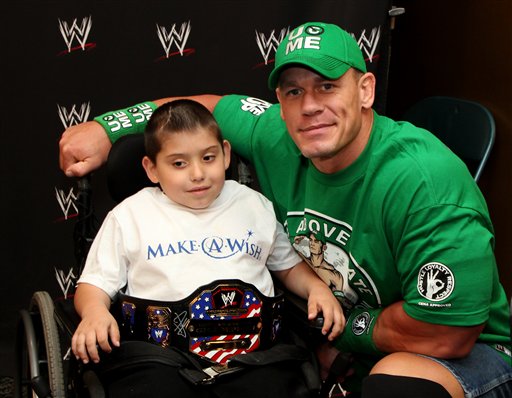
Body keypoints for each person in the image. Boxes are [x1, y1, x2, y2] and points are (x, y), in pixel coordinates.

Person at [60, 22, 512, 398]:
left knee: (390, 389)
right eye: (293, 92)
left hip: (457, 350)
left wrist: (337, 335)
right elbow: (207, 108)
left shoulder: (424, 181)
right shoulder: (275, 132)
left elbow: (444, 334)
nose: (310, 106)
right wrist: (107, 127)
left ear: (366, 90)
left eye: (328, 86)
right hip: (334, 333)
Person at [71, 99, 345, 397]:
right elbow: (94, 284)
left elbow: (288, 267)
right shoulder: (130, 216)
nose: (197, 173)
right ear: (151, 168)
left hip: (253, 352)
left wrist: (316, 287)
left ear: (226, 154)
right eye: (179, 163)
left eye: (208, 158)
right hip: (160, 355)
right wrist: (94, 311)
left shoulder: (253, 204)